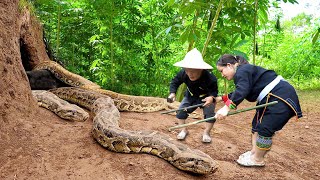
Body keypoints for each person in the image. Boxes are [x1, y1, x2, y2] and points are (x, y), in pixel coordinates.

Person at [214, 54, 303, 167]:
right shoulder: (244, 71)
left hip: (280, 97)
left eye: (222, 71)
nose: (222, 75)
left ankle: (257, 159)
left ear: (229, 65)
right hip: (269, 97)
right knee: (256, 125)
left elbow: (242, 90)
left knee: (264, 129)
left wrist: (227, 108)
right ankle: (253, 153)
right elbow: (241, 91)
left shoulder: (241, 71)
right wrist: (218, 99)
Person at [168, 48, 218, 143]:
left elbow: (214, 91)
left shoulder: (210, 78)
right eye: (187, 70)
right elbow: (175, 82)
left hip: (206, 97)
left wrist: (211, 98)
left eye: (193, 71)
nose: (190, 74)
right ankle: (184, 130)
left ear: (200, 69)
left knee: (210, 115)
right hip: (190, 95)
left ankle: (206, 132)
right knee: (180, 112)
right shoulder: (183, 73)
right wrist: (172, 93)